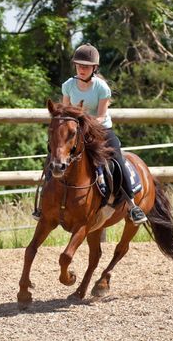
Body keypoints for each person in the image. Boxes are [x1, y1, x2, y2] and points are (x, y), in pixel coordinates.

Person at [32, 43, 147, 224]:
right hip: (75, 132)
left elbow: (101, 116)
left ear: (94, 68)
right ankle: (42, 204)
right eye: (79, 65)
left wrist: (86, 125)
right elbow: (65, 111)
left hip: (100, 130)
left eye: (86, 66)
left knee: (117, 158)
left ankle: (133, 205)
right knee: (53, 157)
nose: (82, 69)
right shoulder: (68, 86)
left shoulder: (102, 88)